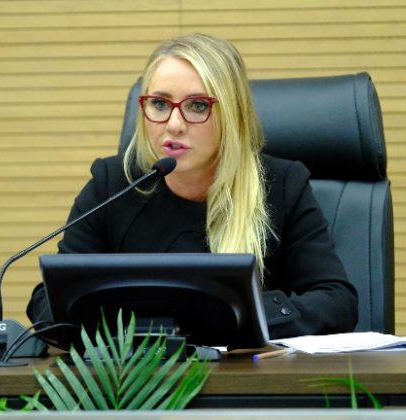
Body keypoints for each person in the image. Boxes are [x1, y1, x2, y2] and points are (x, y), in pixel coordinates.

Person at [27, 33, 357, 341]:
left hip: (245, 377)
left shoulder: (281, 185)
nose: (174, 124)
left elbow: (337, 302)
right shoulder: (113, 184)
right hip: (136, 378)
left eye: (197, 105)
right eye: (159, 104)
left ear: (232, 115)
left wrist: (242, 318)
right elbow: (49, 303)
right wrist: (147, 327)